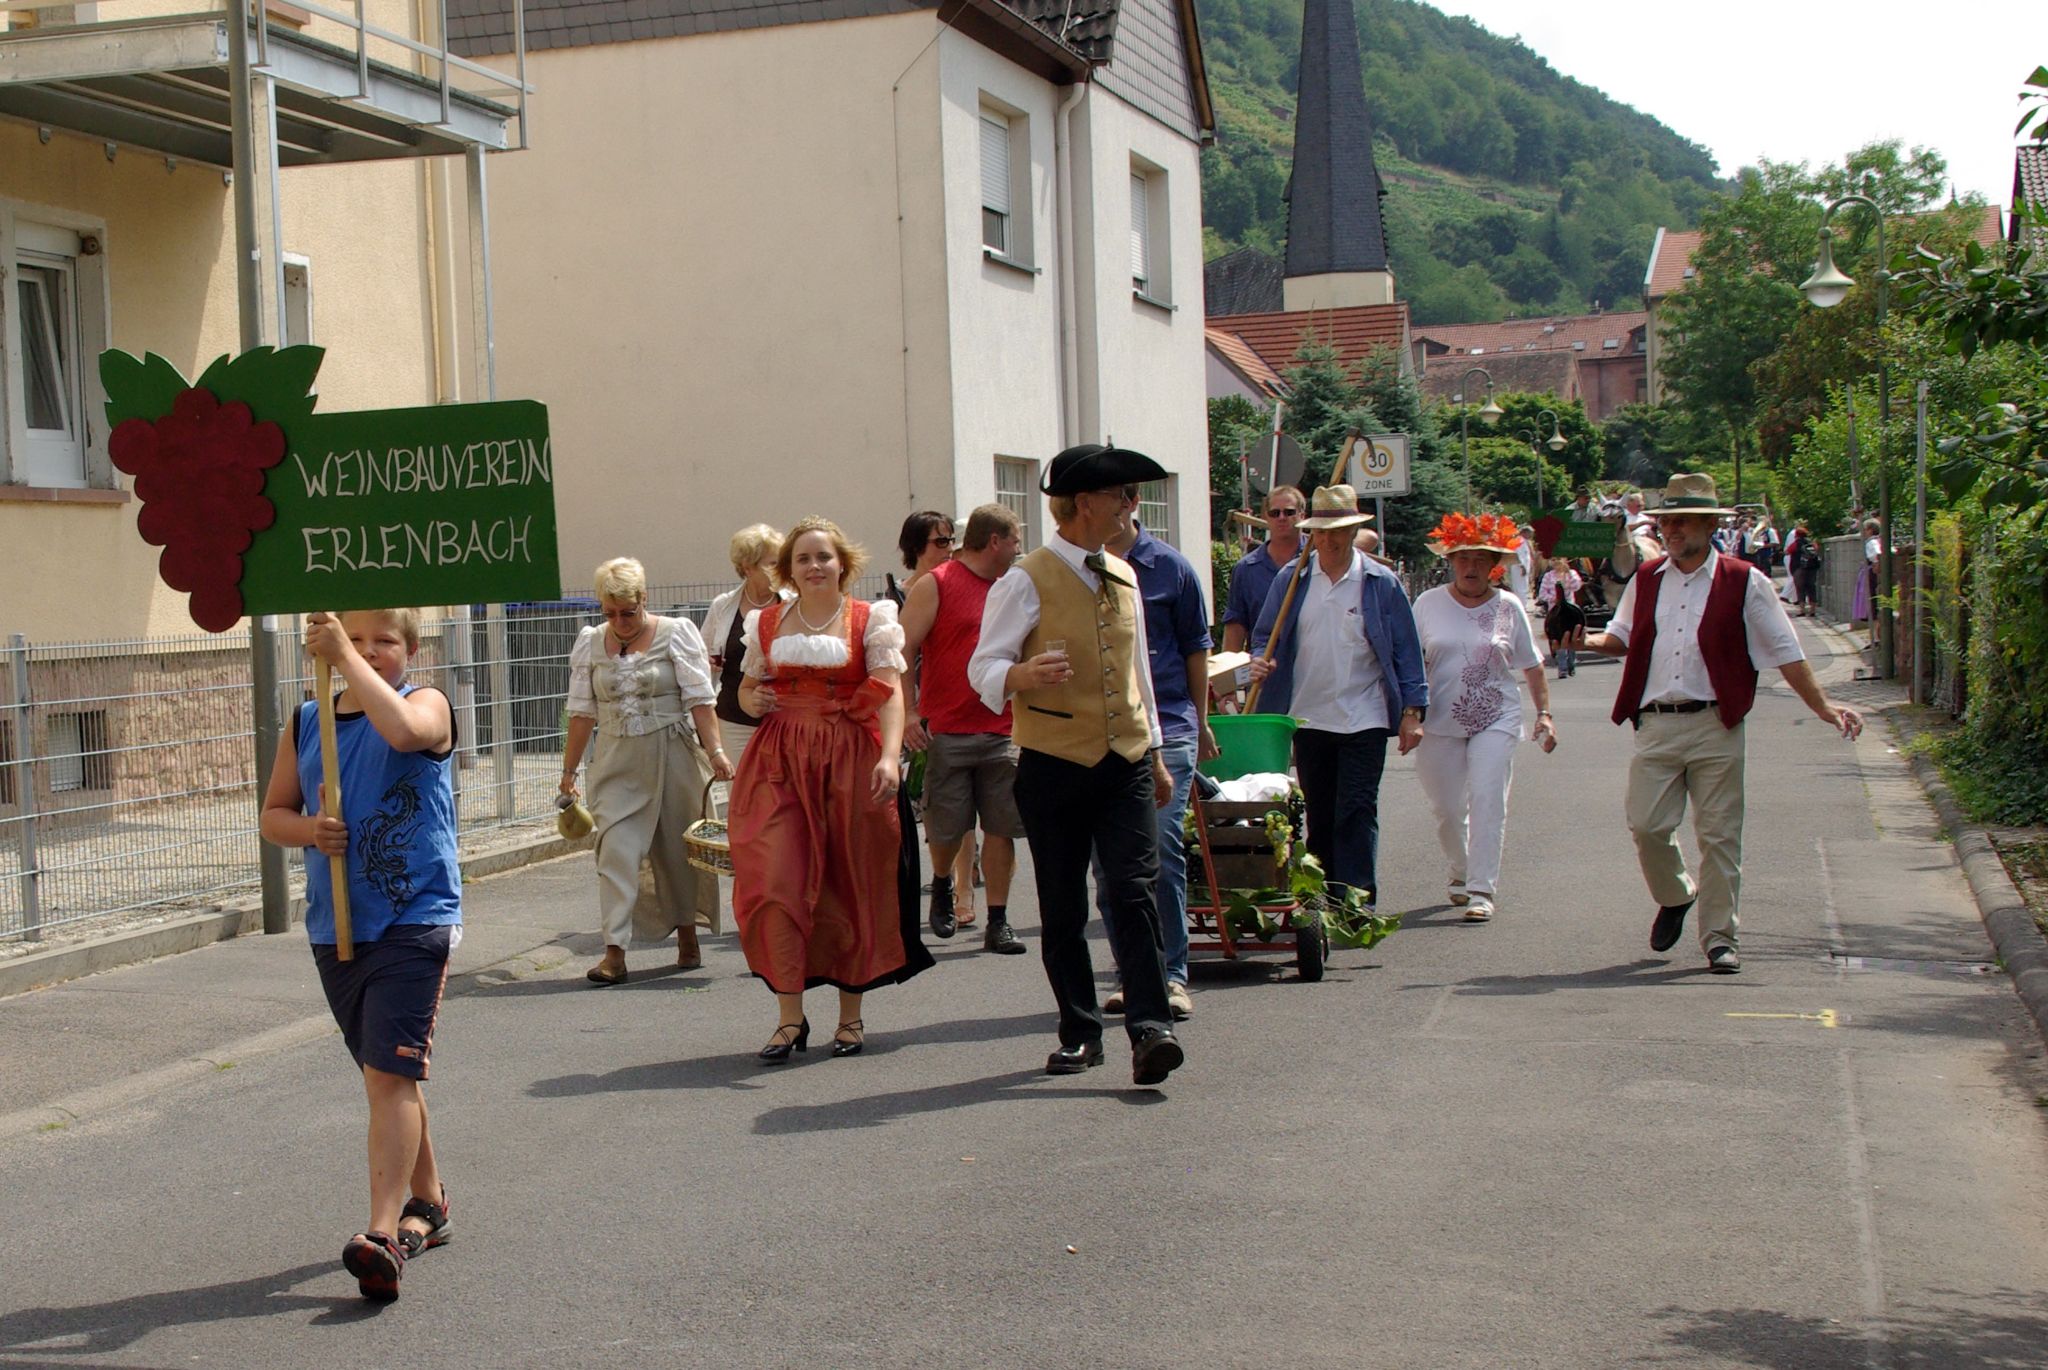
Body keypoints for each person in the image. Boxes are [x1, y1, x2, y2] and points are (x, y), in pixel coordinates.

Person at [1575, 474, 1864, 973]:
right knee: (1647, 825)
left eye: (1681, 521)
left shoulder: (1743, 579)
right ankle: (1677, 894)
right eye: (1666, 521)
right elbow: (1620, 638)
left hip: (1716, 723)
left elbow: (1785, 652)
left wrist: (1824, 707)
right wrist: (1582, 639)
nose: (1671, 530)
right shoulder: (1646, 579)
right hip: (1657, 724)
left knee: (1720, 836)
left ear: (1710, 525)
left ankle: (1720, 938)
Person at [968, 442, 1185, 1087]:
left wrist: (1159, 755)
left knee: (1132, 890)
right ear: (1085, 503)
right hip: (1054, 762)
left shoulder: (1124, 574)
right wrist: (1021, 674)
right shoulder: (1024, 578)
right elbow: (982, 668)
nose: (1131, 505)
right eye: (1123, 494)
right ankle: (1081, 1033)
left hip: (1126, 761)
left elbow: (1139, 672)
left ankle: (1150, 1029)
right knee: (1062, 906)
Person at [259, 608, 460, 1302]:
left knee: (387, 1077)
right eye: (359, 637)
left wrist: (346, 655)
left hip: (414, 918)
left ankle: (380, 1236)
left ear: (410, 650)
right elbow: (273, 815)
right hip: (337, 927)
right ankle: (428, 1204)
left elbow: (405, 734)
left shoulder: (425, 703)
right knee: (386, 1076)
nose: (372, 651)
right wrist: (312, 831)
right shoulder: (307, 720)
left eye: (387, 642)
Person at [731, 516, 930, 1060]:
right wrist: (752, 700)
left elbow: (889, 693)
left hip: (849, 756)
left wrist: (891, 758)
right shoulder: (767, 622)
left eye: (823, 557)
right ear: (788, 569)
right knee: (776, 881)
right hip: (779, 761)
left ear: (843, 563)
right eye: (803, 559)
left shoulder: (871, 619)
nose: (814, 566)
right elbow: (748, 688)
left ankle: (850, 1017)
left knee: (850, 882)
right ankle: (790, 1019)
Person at [1248, 483, 1427, 909]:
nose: (1329, 540)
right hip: (1309, 716)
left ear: (1354, 532)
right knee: (1322, 813)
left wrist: (1412, 711)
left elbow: (1406, 648)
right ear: (1311, 534)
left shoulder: (1379, 582)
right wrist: (1259, 662)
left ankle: (1358, 900)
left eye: (1339, 531)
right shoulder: (1291, 581)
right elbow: (1264, 638)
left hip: (1363, 714)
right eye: (1321, 532)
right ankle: (1321, 896)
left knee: (1357, 809)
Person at [560, 558, 732, 986]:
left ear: (643, 599)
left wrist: (715, 752)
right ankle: (614, 953)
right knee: (615, 850)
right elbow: (582, 713)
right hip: (617, 761)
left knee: (678, 852)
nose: (618, 621)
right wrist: (568, 771)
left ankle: (688, 934)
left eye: (628, 611)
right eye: (610, 613)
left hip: (672, 753)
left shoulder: (677, 634)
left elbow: (700, 700)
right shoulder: (590, 642)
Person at [1096, 484, 1218, 1021]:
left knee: (1162, 850)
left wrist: (1202, 721)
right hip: (1104, 728)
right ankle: (1132, 973)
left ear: (1131, 504)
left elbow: (1196, 650)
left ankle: (1170, 976)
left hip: (1169, 722)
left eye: (1109, 500)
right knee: (1109, 865)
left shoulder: (1171, 568)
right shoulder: (1082, 567)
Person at [1411, 515, 1557, 921]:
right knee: (1446, 808)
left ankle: (1481, 889)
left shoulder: (1508, 607)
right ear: (1451, 562)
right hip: (1439, 718)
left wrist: (1544, 713)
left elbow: (1531, 665)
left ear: (1494, 564)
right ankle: (1460, 868)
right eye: (1463, 559)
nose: (1471, 567)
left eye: (1480, 559)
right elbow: (1410, 662)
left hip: (1496, 715)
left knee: (1489, 797)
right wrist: (1409, 715)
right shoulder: (1427, 604)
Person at [899, 503, 1028, 956]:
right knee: (946, 826)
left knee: (1001, 827)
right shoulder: (937, 584)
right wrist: (909, 713)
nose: (1018, 549)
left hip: (1004, 728)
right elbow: (902, 652)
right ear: (995, 541)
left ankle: (998, 920)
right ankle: (941, 885)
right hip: (947, 728)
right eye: (1015, 539)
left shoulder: (1014, 586)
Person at [889, 510, 983, 931]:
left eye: (951, 541)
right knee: (927, 806)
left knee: (960, 805)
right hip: (915, 709)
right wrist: (905, 712)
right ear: (916, 548)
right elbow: (892, 660)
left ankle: (963, 890)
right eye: (939, 542)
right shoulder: (894, 600)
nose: (948, 549)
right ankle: (934, 881)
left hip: (960, 708)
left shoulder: (964, 586)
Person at [703, 524, 791, 767]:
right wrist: (708, 663)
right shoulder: (723, 606)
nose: (781, 570)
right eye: (772, 564)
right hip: (734, 721)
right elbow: (702, 655)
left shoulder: (794, 604)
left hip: (785, 719)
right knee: (743, 796)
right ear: (748, 567)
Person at [1221, 484, 1306, 655]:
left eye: (1289, 512)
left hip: (1313, 671)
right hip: (1266, 672)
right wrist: (1229, 678)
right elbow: (1235, 628)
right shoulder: (1246, 569)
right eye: (1275, 513)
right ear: (1266, 517)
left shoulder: (1317, 561)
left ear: (1302, 516)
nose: (1282, 518)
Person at [1536, 555, 1586, 678]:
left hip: (1570, 610)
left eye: (1558, 559)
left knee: (1572, 636)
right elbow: (1542, 594)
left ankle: (1571, 663)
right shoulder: (1548, 576)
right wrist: (1553, 599)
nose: (1556, 562)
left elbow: (1577, 586)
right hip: (1556, 611)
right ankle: (1562, 668)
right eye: (1553, 559)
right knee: (1558, 638)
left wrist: (1568, 574)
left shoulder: (1571, 573)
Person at [1851, 517, 1881, 629]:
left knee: (1871, 603)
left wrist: (1876, 565)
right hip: (1869, 573)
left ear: (1870, 530)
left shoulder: (1872, 542)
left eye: (1864, 529)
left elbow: (1876, 555)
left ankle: (1876, 637)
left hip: (1870, 574)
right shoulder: (1877, 540)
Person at [1787, 522, 1822, 616]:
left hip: (1799, 568)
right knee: (1811, 588)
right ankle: (1812, 610)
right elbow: (1816, 551)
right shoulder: (1811, 543)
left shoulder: (1796, 543)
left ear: (1796, 535)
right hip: (1812, 568)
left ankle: (1802, 610)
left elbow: (1787, 551)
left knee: (1800, 589)